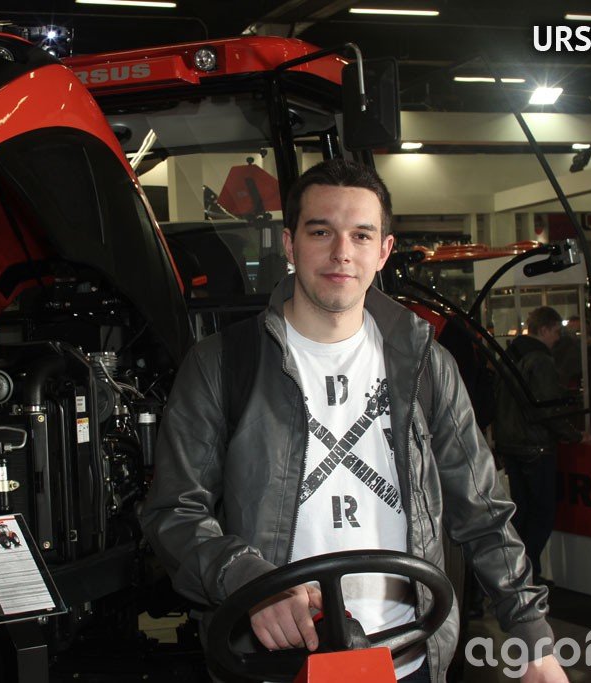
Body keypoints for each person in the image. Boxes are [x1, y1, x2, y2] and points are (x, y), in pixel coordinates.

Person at [140, 160, 566, 683]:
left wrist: (532, 638)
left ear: (383, 251)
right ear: (290, 244)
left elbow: (482, 511)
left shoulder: (425, 365)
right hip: (277, 663)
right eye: (321, 231)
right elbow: (174, 511)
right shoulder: (223, 364)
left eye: (361, 235)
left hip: (408, 656)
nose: (342, 252)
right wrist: (246, 578)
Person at [493, 307, 581, 584]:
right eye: (556, 331)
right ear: (544, 329)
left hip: (511, 445)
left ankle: (518, 573)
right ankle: (528, 573)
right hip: (535, 446)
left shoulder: (509, 355)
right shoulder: (540, 360)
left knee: (521, 512)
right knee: (541, 514)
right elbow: (547, 407)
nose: (558, 338)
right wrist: (572, 434)